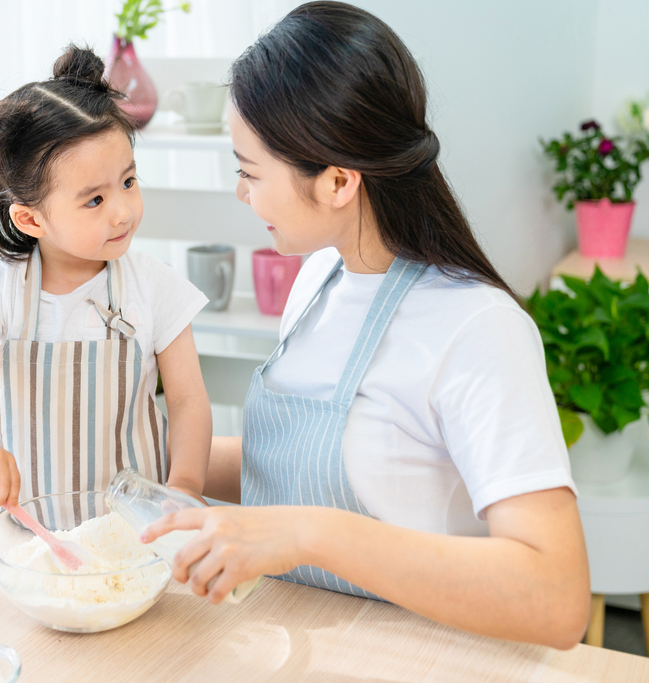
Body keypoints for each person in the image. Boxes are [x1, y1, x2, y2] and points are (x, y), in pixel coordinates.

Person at [141, 2, 590, 649]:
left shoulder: (477, 327)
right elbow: (303, 465)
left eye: (249, 171)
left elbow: (557, 596)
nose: (242, 193)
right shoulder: (320, 277)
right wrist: (140, 451)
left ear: (339, 181)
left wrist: (307, 531)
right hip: (300, 646)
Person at [0, 45, 212, 511]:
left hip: (137, 540)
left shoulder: (154, 286)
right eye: (94, 200)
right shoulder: (5, 291)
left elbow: (189, 400)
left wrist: (186, 490)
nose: (122, 212)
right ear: (31, 220)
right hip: (35, 540)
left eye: (129, 182)